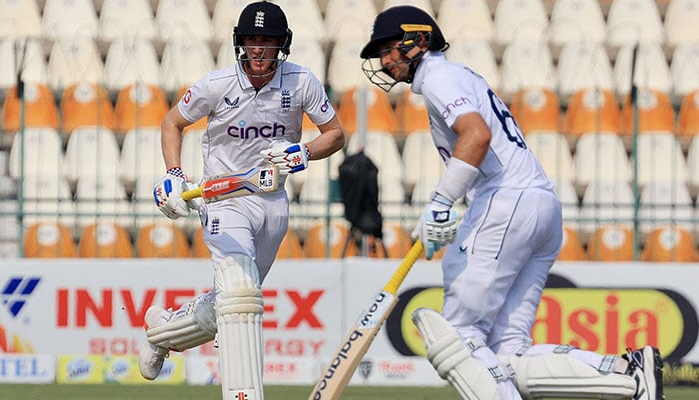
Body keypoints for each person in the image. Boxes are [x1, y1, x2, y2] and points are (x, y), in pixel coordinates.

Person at [360, 6, 663, 400]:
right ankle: (627, 374)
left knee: (457, 338)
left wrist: (440, 202)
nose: (384, 61)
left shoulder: (438, 77)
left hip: (506, 201)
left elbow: (477, 134)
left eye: (388, 49)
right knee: (508, 351)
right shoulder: (461, 75)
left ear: (417, 41)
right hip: (539, 204)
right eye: (380, 54)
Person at [139, 2, 345, 399]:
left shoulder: (300, 82)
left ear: (281, 45)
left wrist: (303, 153)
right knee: (238, 294)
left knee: (235, 298)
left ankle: (162, 331)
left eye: (267, 41)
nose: (258, 49)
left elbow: (334, 135)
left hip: (271, 201)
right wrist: (173, 174)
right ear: (241, 43)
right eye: (252, 40)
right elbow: (172, 122)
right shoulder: (216, 84)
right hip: (222, 198)